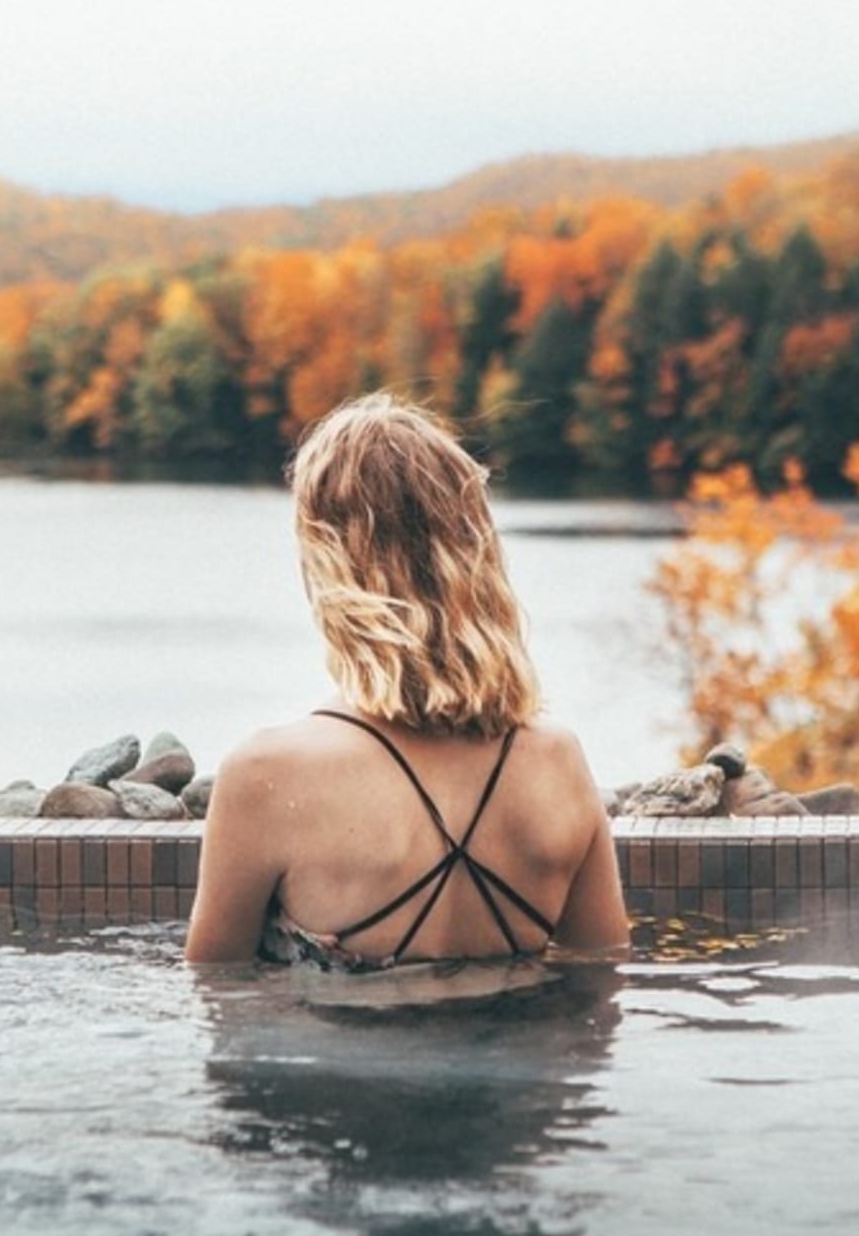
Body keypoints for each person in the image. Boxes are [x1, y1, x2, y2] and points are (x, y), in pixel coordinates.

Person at [184, 393, 630, 968]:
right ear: (476, 550)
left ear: (329, 563)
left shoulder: (267, 774)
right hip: (521, 1053)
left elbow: (216, 1004)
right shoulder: (557, 760)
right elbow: (602, 983)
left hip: (342, 1057)